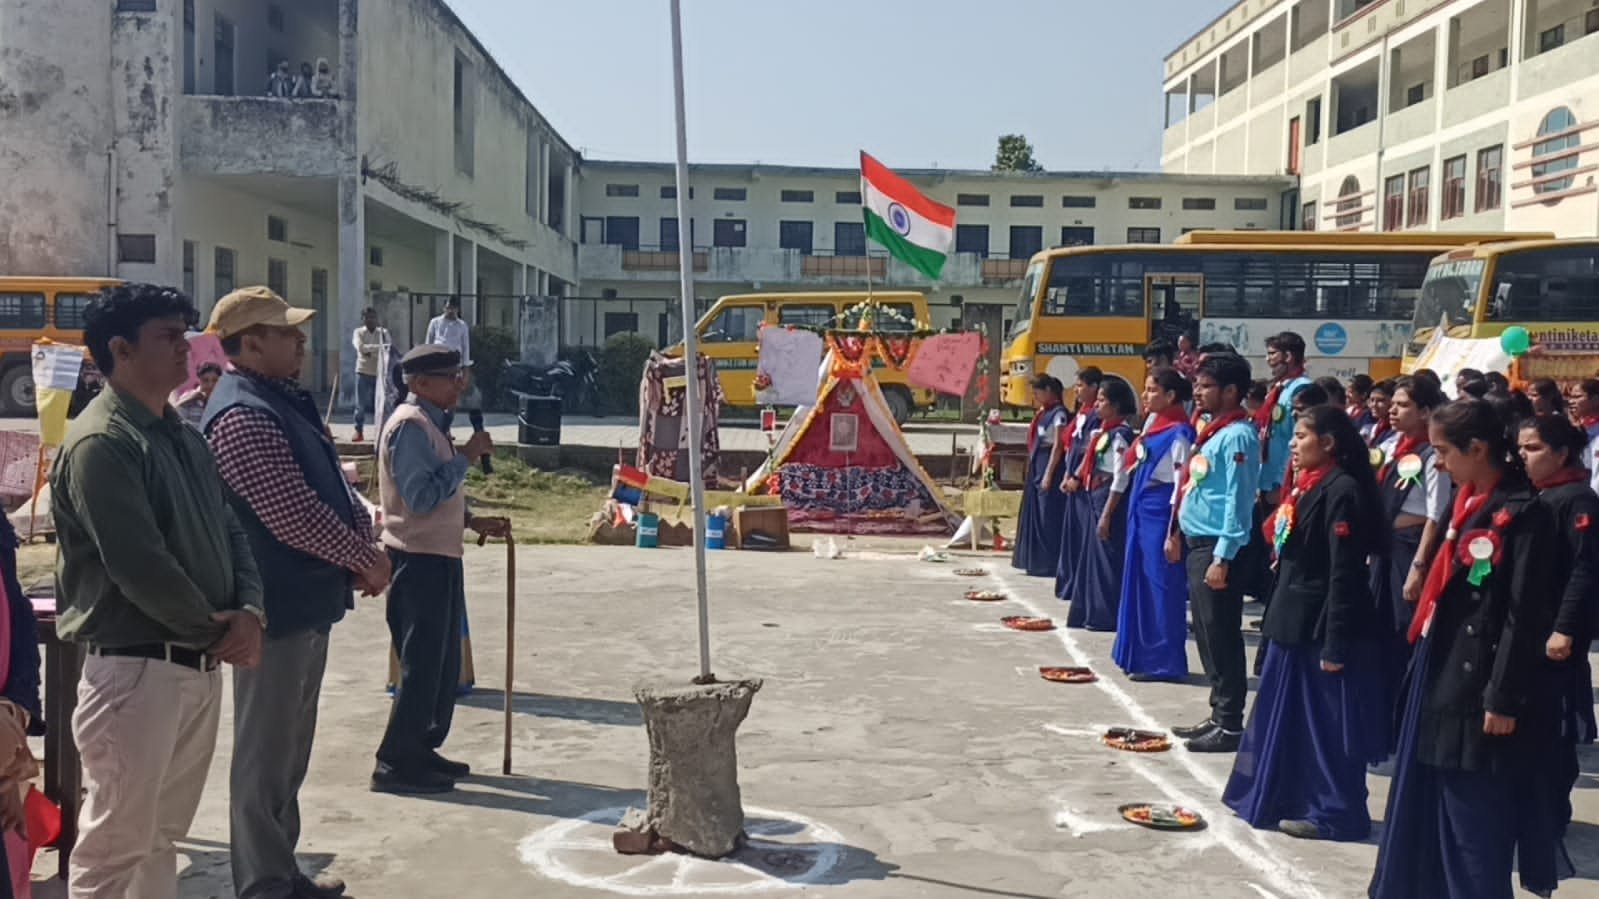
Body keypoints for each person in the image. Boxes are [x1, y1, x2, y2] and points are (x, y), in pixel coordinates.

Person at [49, 284, 265, 899]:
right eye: (168, 337)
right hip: (137, 668)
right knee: (115, 848)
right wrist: (218, 631)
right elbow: (139, 565)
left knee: (160, 838)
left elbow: (231, 529)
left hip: (194, 663)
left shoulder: (182, 436)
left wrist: (250, 610)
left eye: (184, 335)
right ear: (120, 349)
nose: (185, 350)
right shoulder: (102, 442)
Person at [202, 287, 387, 899]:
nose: (300, 341)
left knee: (288, 752)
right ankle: (262, 881)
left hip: (304, 599)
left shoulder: (279, 400)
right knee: (265, 756)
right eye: (285, 333)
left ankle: (280, 871)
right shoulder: (243, 413)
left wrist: (357, 548)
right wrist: (364, 558)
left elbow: (332, 486)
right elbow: (292, 514)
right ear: (250, 344)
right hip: (272, 608)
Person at [1369, 399, 1563, 899]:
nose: (1437, 464)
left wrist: (1502, 698)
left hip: (1481, 686)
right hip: (1443, 665)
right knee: (1431, 805)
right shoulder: (1467, 502)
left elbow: (1523, 617)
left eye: (1443, 452)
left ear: (1477, 449)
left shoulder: (1524, 514)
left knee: (1472, 822)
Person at [1223, 405, 1389, 841]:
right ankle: (1288, 797)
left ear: (1328, 443)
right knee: (1291, 720)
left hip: (1318, 627)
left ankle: (1335, 813)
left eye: (1301, 436)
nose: (1293, 445)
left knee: (1325, 728)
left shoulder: (1342, 491)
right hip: (1291, 621)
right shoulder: (1307, 485)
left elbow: (1343, 574)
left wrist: (1335, 643)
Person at [373, 345, 506, 794]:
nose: (458, 385)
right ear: (419, 383)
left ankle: (421, 747)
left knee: (442, 665)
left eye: (459, 376)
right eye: (450, 377)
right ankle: (395, 762)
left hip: (440, 556)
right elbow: (420, 498)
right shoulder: (410, 426)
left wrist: (470, 520)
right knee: (421, 666)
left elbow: (438, 496)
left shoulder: (433, 425)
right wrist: (466, 458)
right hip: (416, 560)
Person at [1519, 414, 1599, 858]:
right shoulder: (1539, 495)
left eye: (1533, 448)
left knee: (1556, 727)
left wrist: (1565, 628)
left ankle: (1551, 812)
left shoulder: (1578, 499)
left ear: (1562, 453)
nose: (1523, 456)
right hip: (1530, 627)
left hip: (1557, 633)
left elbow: (1583, 569)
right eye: (1521, 448)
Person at [1174, 352, 1261, 753]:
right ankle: (1217, 712)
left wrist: (1223, 557)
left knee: (1222, 634)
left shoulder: (1238, 435)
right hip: (1198, 542)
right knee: (1207, 635)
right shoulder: (1213, 431)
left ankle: (1229, 722)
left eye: (1207, 386)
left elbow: (1238, 502)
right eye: (1197, 384)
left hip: (1217, 547)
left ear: (1230, 391)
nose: (1198, 391)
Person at [1370, 376, 1451, 698]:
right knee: (1379, 626)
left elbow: (1436, 513)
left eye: (1403, 405)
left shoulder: (1432, 455)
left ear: (1425, 412)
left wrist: (1418, 566)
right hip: (1384, 548)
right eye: (1393, 404)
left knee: (1404, 626)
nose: (1393, 411)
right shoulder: (1390, 446)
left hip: (1409, 549)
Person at [1113, 368, 1196, 682]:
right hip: (1142, 509)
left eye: (1151, 390)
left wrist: (1174, 532)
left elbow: (1182, 485)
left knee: (1162, 587)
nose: (1145, 396)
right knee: (1140, 582)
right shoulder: (1153, 426)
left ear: (1170, 395)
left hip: (1162, 514)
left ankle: (1165, 661)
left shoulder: (1180, 433)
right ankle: (1138, 654)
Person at [1064, 378, 1135, 632]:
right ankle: (1088, 610)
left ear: (1115, 405)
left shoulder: (1121, 436)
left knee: (1107, 559)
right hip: (1094, 495)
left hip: (1108, 500)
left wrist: (1107, 514)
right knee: (1092, 558)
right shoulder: (1103, 432)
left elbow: (1120, 477)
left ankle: (1105, 614)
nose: (1097, 405)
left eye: (1102, 400)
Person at [1011, 376, 1069, 578]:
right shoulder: (1042, 413)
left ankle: (1049, 562)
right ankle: (1034, 560)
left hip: (1049, 463)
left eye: (1037, 392)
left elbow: (1058, 445)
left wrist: (1048, 474)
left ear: (1048, 390)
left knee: (1047, 515)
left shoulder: (1059, 414)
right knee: (1035, 510)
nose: (1035, 396)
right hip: (1037, 461)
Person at [1052, 368, 1102, 601]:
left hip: (1083, 483)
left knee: (1082, 535)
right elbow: (1071, 447)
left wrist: (1078, 476)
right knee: (1072, 534)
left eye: (1081, 385)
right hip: (1071, 477)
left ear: (1094, 387)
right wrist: (1066, 474)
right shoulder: (1081, 413)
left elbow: (1090, 452)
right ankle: (1069, 581)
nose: (1077, 390)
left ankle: (1080, 585)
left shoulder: (1096, 416)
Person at [424, 299, 482, 436]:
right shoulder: (435, 323)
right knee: (438, 400)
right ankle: (440, 430)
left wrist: (466, 369)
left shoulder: (462, 325)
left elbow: (465, 348)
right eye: (448, 308)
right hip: (438, 367)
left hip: (455, 367)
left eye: (453, 308)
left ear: (458, 309)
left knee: (457, 400)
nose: (451, 311)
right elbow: (428, 343)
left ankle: (449, 428)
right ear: (444, 308)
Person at [351, 307, 391, 442]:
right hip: (362, 371)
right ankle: (358, 431)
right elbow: (360, 347)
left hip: (380, 372)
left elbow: (388, 347)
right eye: (367, 317)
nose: (371, 320)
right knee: (360, 405)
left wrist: (369, 351)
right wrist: (378, 349)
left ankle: (382, 432)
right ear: (363, 319)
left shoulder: (383, 332)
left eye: (373, 317)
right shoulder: (358, 332)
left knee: (380, 404)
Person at [1571, 378, 1599, 495]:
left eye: (1577, 397)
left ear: (1596, 399)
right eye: (1571, 397)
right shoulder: (1576, 429)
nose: (1571, 401)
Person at [175, 362, 223, 429]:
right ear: (199, 380)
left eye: (215, 380)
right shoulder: (188, 399)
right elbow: (177, 423)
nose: (210, 385)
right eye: (205, 380)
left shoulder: (224, 401)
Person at [1364, 379, 1396, 448]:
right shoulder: (1369, 428)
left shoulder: (1397, 431)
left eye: (1380, 400)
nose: (1374, 405)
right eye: (1372, 400)